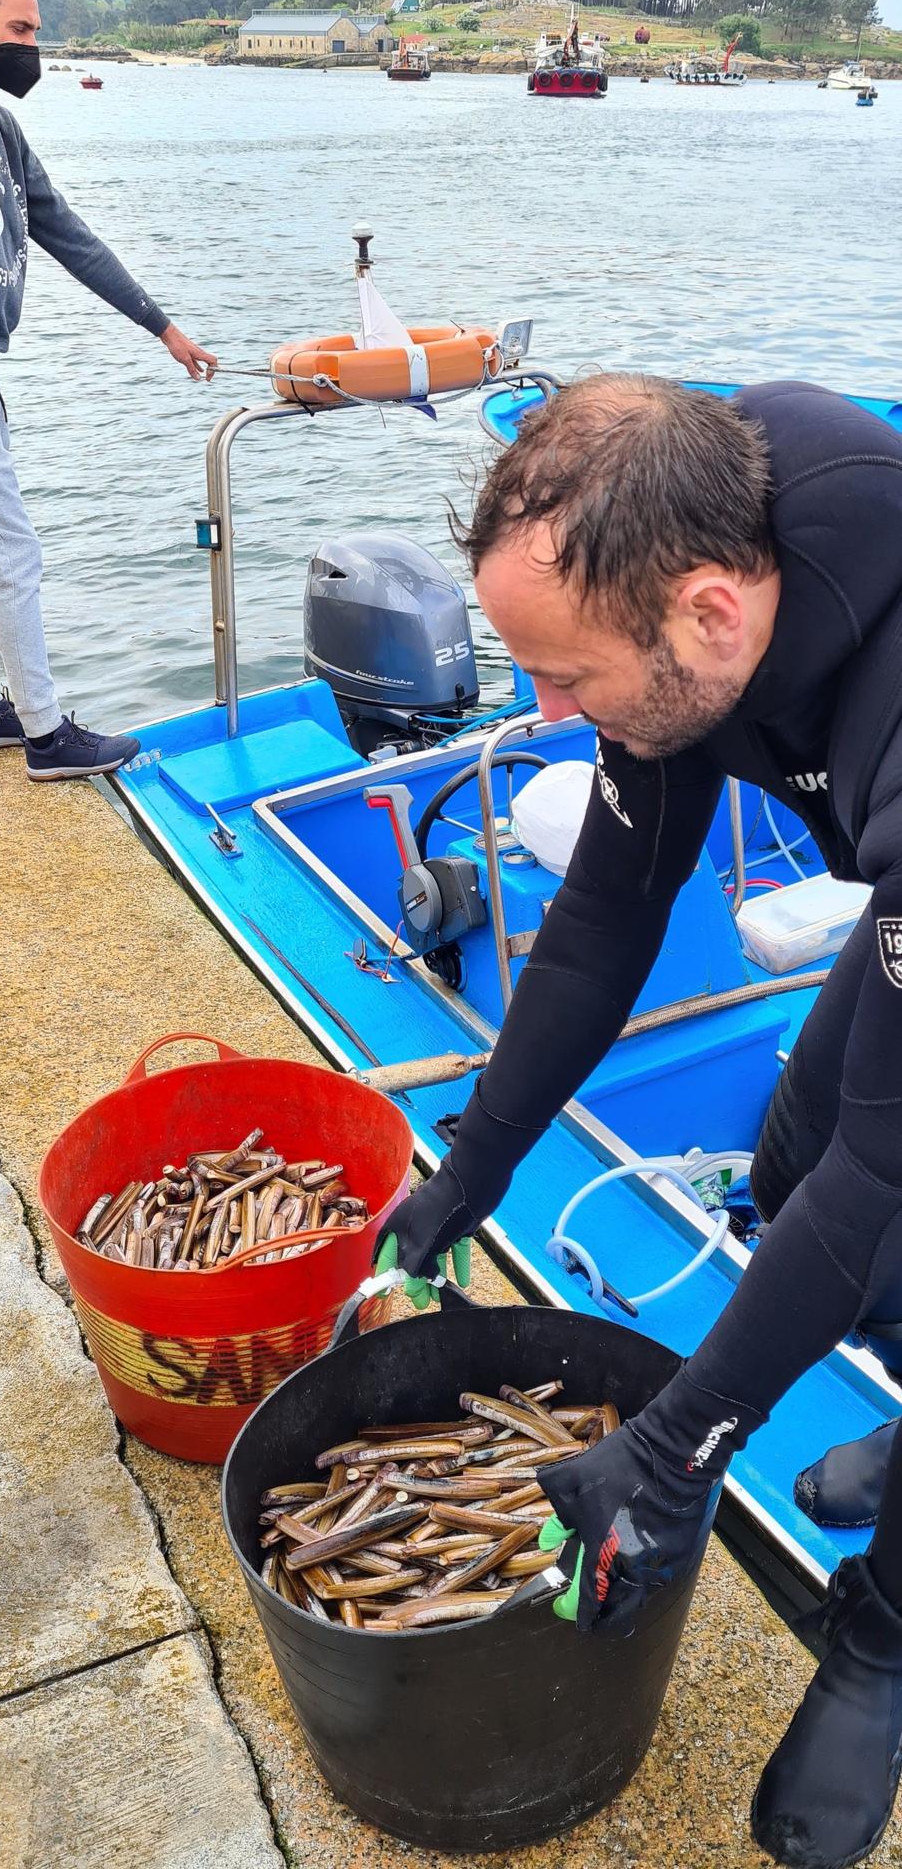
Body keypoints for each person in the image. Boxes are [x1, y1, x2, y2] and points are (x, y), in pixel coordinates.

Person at [375, 371, 902, 1869]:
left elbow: (885, 1166)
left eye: (563, 679)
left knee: (871, 1195)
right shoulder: (698, 519)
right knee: (788, 1160)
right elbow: (601, 926)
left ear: (711, 619)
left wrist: (677, 1451)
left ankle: (876, 1644)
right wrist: (467, 1165)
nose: (538, 713)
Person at [0, 0, 217, 781]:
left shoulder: (1, 129)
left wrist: (160, 325)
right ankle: (45, 735)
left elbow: (67, 232)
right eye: (15, 29)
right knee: (13, 551)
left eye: (35, 32)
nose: (29, 49)